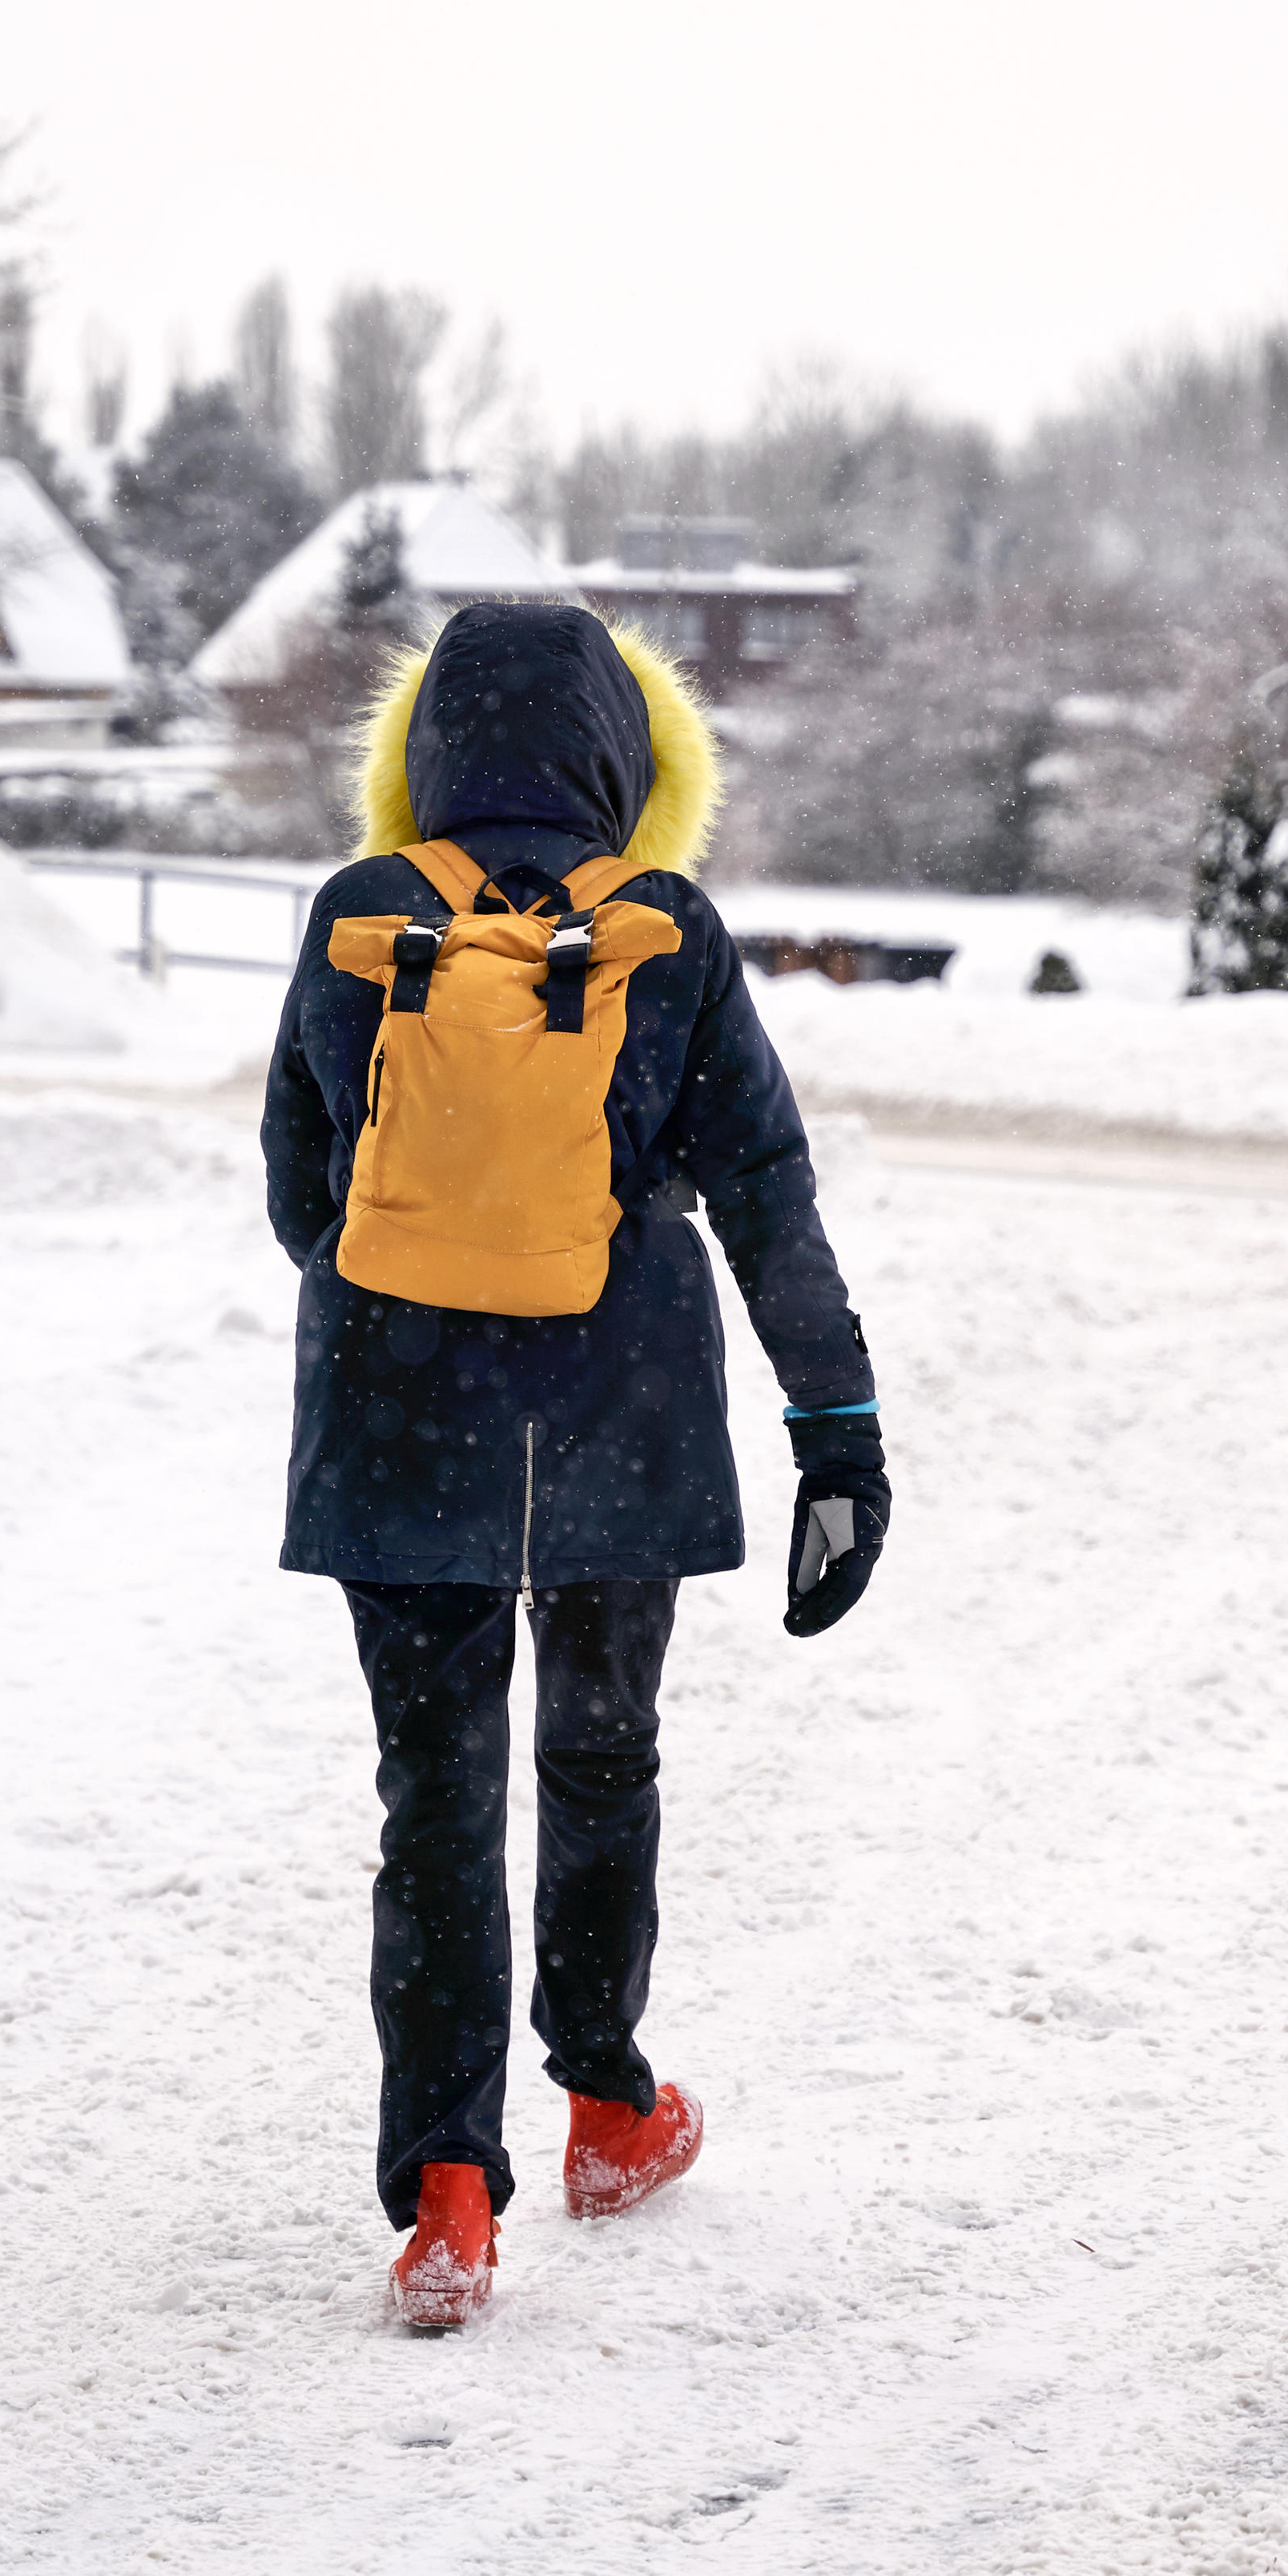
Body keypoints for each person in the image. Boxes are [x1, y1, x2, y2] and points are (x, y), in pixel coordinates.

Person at [260, 597, 890, 2329]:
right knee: (602, 1754)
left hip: (396, 1422)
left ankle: (447, 2193)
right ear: (629, 755)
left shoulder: (361, 912)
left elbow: (300, 1193)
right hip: (625, 1414)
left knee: (435, 1794)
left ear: (422, 749)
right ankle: (607, 2105)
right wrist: (836, 1430)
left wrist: (428, 1270)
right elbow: (766, 1191)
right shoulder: (662, 931)